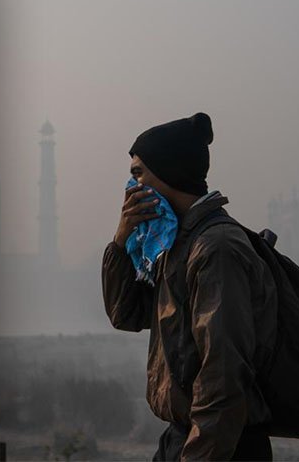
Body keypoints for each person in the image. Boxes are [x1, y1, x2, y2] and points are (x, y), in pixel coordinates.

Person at [101, 112, 278, 461]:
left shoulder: (217, 249)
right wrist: (121, 242)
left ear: (168, 173)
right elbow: (126, 314)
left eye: (138, 173)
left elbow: (224, 377)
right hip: (182, 438)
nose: (132, 186)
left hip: (222, 446)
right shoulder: (177, 245)